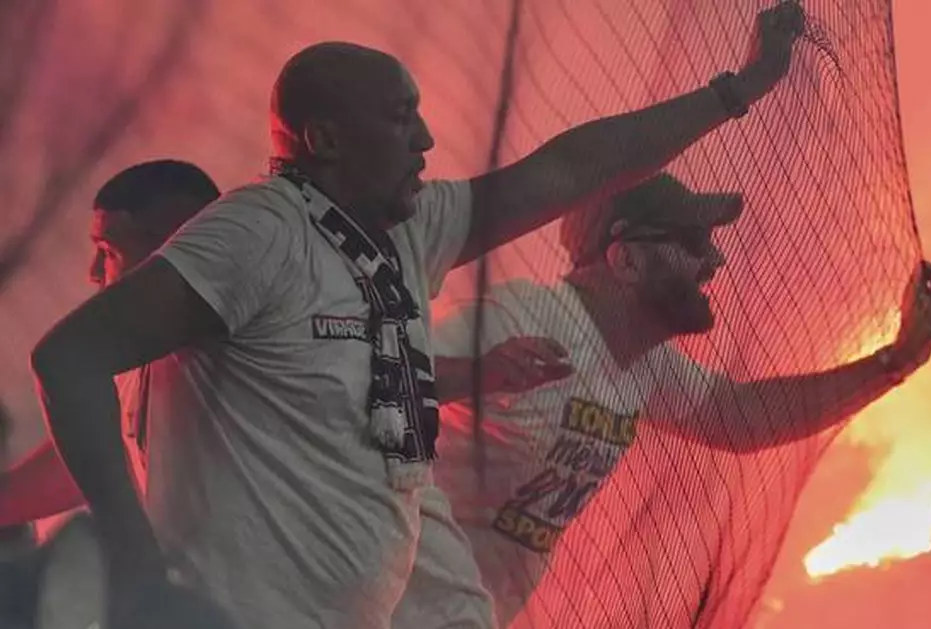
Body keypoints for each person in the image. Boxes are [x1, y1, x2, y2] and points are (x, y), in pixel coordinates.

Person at [28, 3, 810, 628]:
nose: (426, 138)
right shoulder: (261, 232)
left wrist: (737, 91)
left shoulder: (408, 228)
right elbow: (69, 359)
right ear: (325, 139)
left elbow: (568, 170)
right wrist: (135, 566)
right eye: (402, 118)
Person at [409, 172, 931, 625]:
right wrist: (481, 371)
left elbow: (738, 416)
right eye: (690, 242)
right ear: (626, 260)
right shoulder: (524, 317)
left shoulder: (646, 364)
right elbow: (389, 377)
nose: (714, 260)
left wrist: (894, 364)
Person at [0, 160, 222, 629]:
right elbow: (87, 456)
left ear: (174, 244)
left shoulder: (227, 358)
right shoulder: (139, 362)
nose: (94, 272)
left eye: (109, 249)